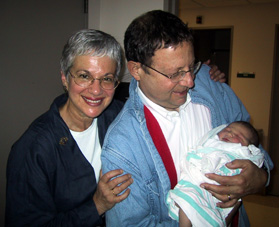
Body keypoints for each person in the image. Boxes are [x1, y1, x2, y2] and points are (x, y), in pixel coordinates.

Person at [101, 10, 273, 226]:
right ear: (136, 70)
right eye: (175, 74)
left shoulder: (209, 83)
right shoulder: (121, 145)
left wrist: (261, 176)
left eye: (191, 67)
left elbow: (251, 141)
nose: (190, 81)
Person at [5, 29, 134, 226]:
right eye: (84, 76)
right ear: (65, 78)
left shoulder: (118, 116)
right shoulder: (33, 149)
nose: (96, 90)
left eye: (107, 78)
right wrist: (97, 205)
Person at [167, 121, 264, 227]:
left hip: (219, 190)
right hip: (197, 182)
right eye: (228, 129)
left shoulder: (242, 153)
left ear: (247, 147)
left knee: (190, 201)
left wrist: (261, 176)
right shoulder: (212, 142)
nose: (230, 134)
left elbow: (258, 166)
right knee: (186, 200)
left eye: (238, 136)